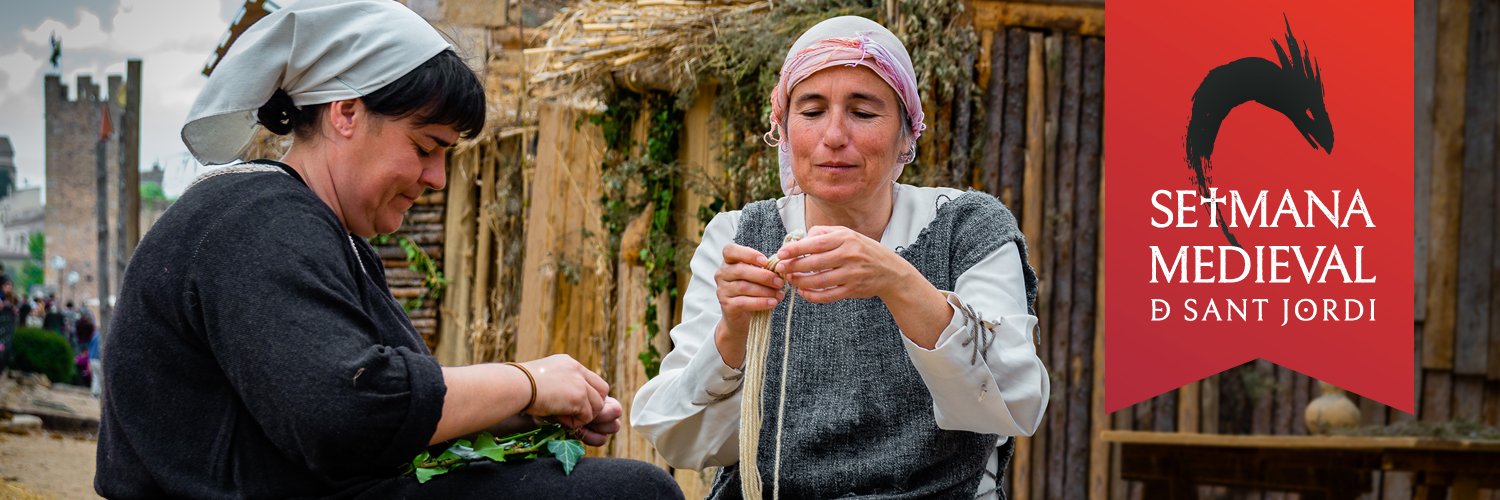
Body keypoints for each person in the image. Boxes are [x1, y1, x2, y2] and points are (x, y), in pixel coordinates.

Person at [96, 2, 681, 498]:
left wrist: (536, 411)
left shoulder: (323, 235)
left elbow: (392, 407)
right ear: (346, 112)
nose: (438, 179)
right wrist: (526, 382)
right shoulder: (258, 221)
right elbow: (346, 411)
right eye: (426, 146)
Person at [631, 16, 1049, 498]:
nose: (833, 135)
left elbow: (1013, 402)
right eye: (811, 111)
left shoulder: (965, 228)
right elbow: (679, 439)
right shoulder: (743, 238)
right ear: (783, 131)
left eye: (864, 113)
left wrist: (898, 281)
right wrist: (733, 332)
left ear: (906, 135)